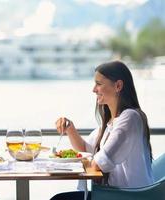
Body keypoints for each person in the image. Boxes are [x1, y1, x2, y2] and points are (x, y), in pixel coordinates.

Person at [51, 61, 153, 200]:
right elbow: (86, 150)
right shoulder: (111, 122)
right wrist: (70, 129)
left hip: (128, 196)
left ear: (118, 86)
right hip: (114, 194)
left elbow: (98, 163)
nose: (94, 89)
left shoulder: (130, 117)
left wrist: (90, 160)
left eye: (99, 84)